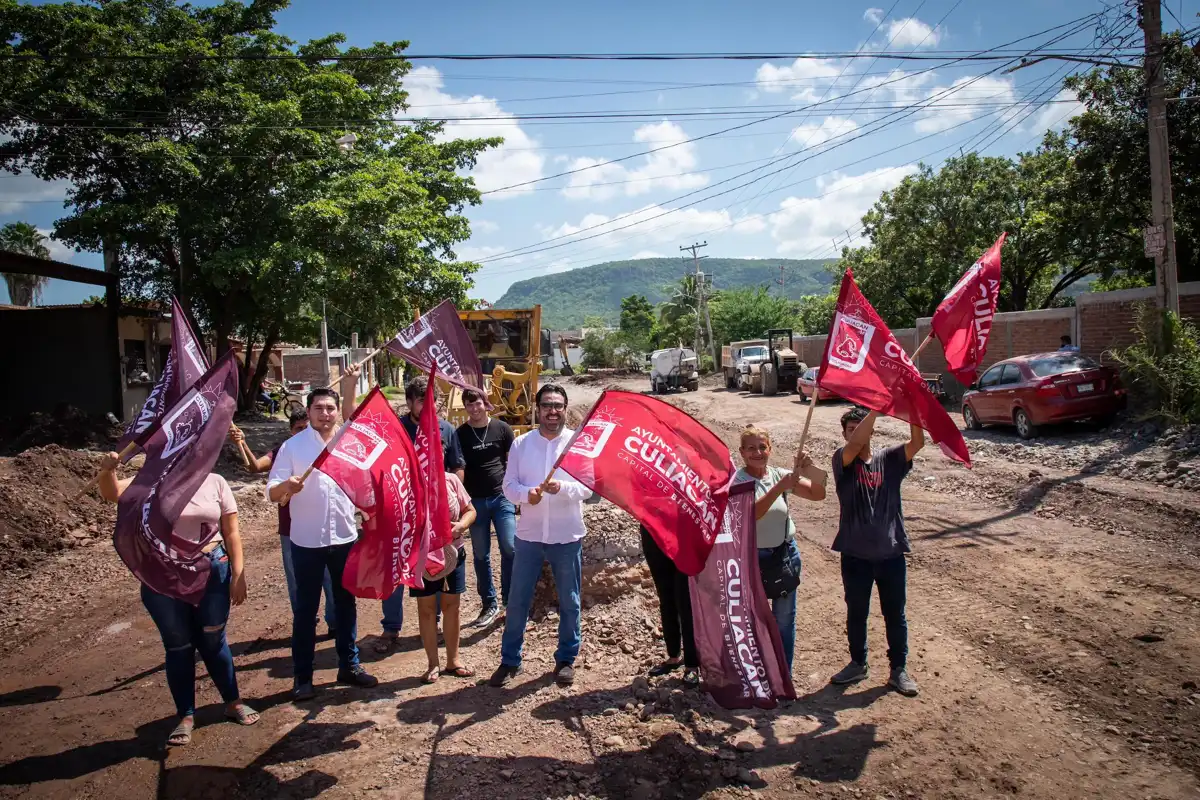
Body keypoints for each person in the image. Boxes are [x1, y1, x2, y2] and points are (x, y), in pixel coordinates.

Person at [97, 456, 259, 747]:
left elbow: (231, 532)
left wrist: (238, 574)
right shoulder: (151, 482)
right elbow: (112, 494)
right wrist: (108, 470)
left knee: (213, 639)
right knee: (178, 645)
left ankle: (233, 702)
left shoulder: (216, 482)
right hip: (162, 576)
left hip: (211, 570)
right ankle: (185, 714)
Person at [267, 369, 378, 700]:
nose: (325, 414)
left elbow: (356, 419)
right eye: (319, 408)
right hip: (306, 542)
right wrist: (286, 486)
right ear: (309, 410)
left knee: (345, 605)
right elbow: (271, 491)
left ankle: (349, 665)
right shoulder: (292, 447)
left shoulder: (347, 441)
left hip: (344, 538)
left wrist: (348, 384)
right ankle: (303, 677)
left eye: (331, 408)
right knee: (305, 611)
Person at [489, 383, 592, 688]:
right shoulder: (521, 445)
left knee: (570, 601)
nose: (552, 410)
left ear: (565, 408)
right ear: (537, 408)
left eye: (558, 405)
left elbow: (587, 487)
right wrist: (526, 495)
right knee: (518, 600)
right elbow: (508, 487)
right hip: (530, 536)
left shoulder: (576, 444)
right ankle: (510, 661)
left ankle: (565, 659)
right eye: (547, 404)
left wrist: (563, 489)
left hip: (566, 535)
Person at [829, 407, 923, 697]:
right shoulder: (842, 460)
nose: (855, 433)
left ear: (872, 430)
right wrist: (877, 405)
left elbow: (917, 443)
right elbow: (856, 444)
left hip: (891, 554)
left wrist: (915, 407)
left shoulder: (889, 459)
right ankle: (858, 663)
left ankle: (898, 670)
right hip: (855, 556)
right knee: (857, 613)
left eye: (860, 427)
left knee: (895, 614)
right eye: (850, 429)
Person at [375, 375, 466, 654]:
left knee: (436, 567)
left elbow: (457, 467)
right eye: (420, 402)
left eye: (432, 401)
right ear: (409, 402)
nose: (427, 407)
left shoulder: (447, 429)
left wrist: (455, 499)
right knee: (396, 570)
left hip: (436, 517)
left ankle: (434, 624)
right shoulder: (397, 429)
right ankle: (391, 628)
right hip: (403, 514)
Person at [230, 412, 338, 637]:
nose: (304, 432)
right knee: (298, 584)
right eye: (299, 428)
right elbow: (255, 467)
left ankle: (335, 624)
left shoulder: (328, 448)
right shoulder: (286, 449)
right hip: (291, 530)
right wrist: (241, 444)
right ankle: (305, 626)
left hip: (325, 529)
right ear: (291, 430)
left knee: (332, 581)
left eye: (306, 427)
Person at [735, 426, 827, 673]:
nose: (758, 452)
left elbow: (818, 494)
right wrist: (779, 488)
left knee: (784, 620)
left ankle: (783, 673)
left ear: (770, 449)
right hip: (750, 560)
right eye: (751, 448)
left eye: (762, 446)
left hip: (783, 557)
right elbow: (750, 514)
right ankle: (756, 672)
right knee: (753, 620)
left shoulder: (779, 475)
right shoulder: (737, 481)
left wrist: (811, 469)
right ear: (742, 452)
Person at [456, 387, 516, 629]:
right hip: (476, 503)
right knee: (481, 555)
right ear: (465, 407)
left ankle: (510, 602)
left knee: (510, 547)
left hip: (502, 498)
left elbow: (513, 461)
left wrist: (516, 493)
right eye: (469, 405)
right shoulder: (460, 434)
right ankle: (488, 603)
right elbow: (457, 466)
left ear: (485, 403)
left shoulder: (503, 429)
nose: (474, 408)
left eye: (478, 403)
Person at [414, 471, 478, 683]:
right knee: (426, 609)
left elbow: (470, 511)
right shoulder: (409, 481)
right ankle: (433, 664)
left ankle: (453, 661)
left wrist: (462, 525)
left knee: (452, 606)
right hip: (422, 556)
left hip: (452, 553)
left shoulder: (451, 480)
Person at [641, 524, 700, 687]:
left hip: (683, 533)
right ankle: (673, 656)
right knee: (665, 597)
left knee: (685, 600)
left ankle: (692, 665)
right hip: (653, 532)